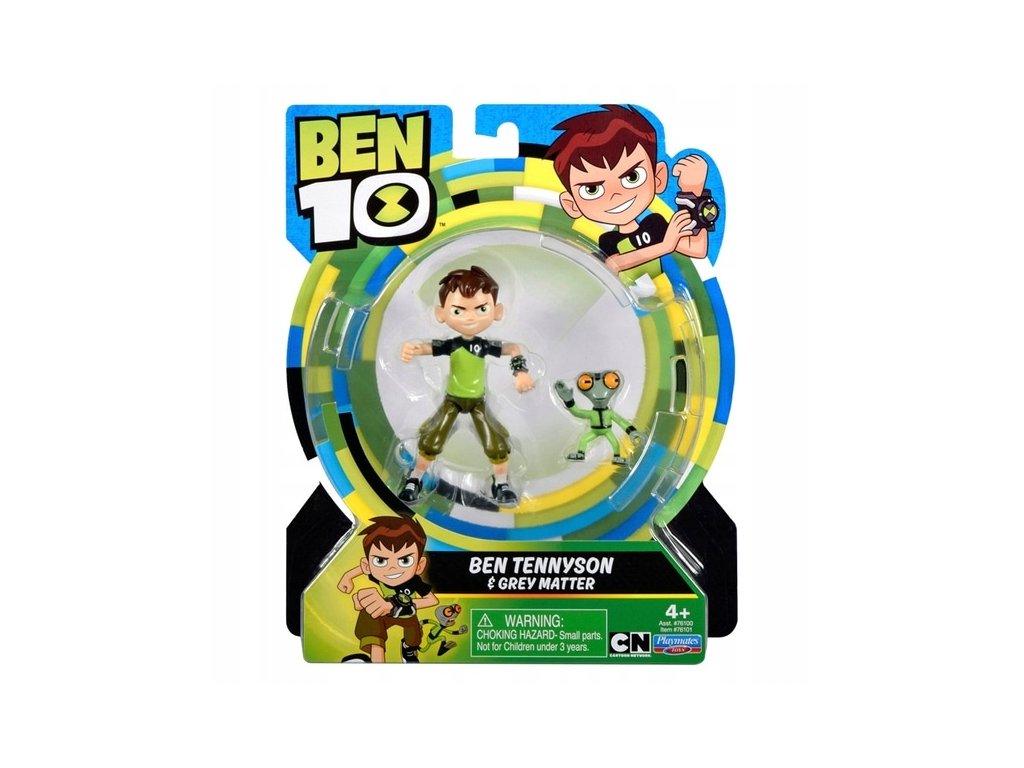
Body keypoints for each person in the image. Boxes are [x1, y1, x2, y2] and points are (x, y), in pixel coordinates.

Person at [399, 265, 534, 506]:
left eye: (481, 309)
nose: (470, 317)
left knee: (496, 444)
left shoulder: (483, 345)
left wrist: (520, 371)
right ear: (441, 314)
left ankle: (501, 484)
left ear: (497, 311)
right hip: (452, 400)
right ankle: (414, 479)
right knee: (431, 441)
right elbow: (427, 348)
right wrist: (413, 348)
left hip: (477, 402)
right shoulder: (452, 344)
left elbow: (514, 348)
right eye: (458, 311)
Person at [337, 515, 438, 663]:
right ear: (368, 565)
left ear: (419, 565)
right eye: (381, 561)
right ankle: (376, 659)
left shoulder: (414, 582)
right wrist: (348, 577)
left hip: (407, 615)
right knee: (370, 617)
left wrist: (398, 605)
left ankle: (409, 649)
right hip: (384, 613)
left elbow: (432, 600)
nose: (392, 568)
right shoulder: (378, 575)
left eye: (404, 560)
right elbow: (363, 569)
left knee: (414, 637)